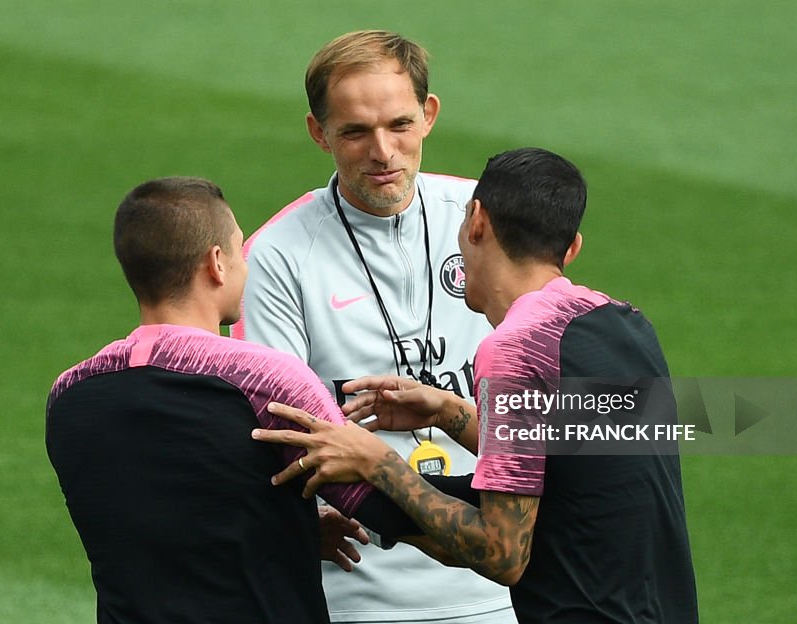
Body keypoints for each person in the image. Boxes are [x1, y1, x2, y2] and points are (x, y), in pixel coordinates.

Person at [253, 148, 700, 623]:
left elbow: (503, 553)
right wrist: (451, 412)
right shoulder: (626, 323)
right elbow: (572, 462)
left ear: (476, 222)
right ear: (572, 248)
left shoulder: (517, 347)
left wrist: (379, 462)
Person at [45, 177, 431, 624]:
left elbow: (163, 519)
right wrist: (496, 465)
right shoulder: (265, 380)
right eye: (238, 250)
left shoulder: (70, 393)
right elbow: (393, 512)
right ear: (216, 264)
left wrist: (291, 531)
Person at [233, 30, 516, 624]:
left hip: (507, 587)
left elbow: (559, 399)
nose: (383, 152)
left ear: (429, 115)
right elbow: (273, 430)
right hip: (360, 596)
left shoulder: (489, 222)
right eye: (356, 132)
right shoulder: (278, 257)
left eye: (400, 124)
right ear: (319, 132)